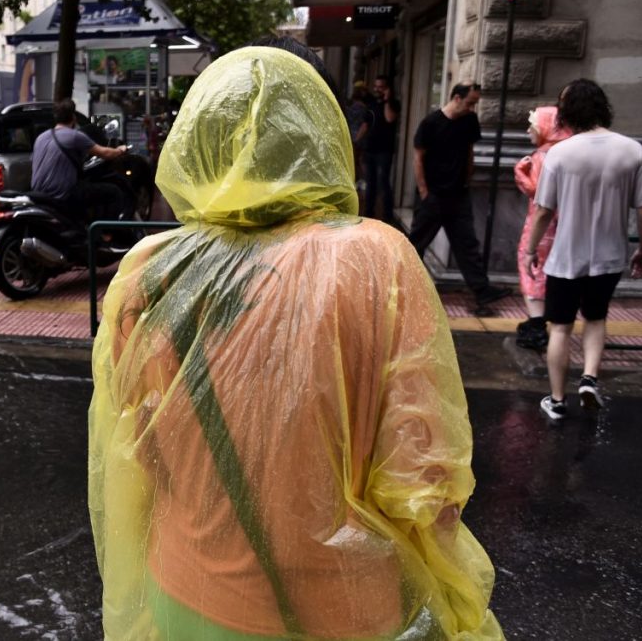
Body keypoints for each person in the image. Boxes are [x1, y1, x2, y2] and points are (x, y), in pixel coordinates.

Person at [89, 41, 503, 640]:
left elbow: (139, 452)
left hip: (184, 593)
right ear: (321, 133)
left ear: (198, 141)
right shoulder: (375, 261)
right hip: (343, 610)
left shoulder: (147, 272)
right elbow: (427, 484)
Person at [523, 79, 642, 420]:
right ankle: (589, 379)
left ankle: (558, 400)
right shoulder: (632, 150)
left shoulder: (561, 153)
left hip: (565, 258)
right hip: (610, 256)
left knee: (560, 327)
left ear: (568, 113)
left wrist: (531, 250)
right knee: (596, 317)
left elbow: (544, 210)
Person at [410, 82, 511, 307]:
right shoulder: (431, 123)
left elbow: (469, 151)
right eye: (470, 103)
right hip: (434, 195)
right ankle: (403, 288)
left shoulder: (469, 121)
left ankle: (482, 290)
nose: (472, 108)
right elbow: (418, 157)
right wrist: (424, 191)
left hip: (458, 195)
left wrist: (467, 178)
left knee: (466, 244)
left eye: (475, 103)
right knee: (417, 243)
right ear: (456, 98)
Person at [513, 106, 571, 350]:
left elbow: (538, 195)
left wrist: (520, 174)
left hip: (541, 225)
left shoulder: (542, 157)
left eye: (533, 127)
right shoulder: (568, 154)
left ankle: (537, 325)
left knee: (531, 269)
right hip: (566, 225)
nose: (529, 131)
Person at [30, 98, 129, 221]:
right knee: (114, 192)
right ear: (73, 117)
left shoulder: (41, 138)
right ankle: (105, 235)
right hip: (63, 195)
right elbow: (105, 153)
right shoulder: (75, 136)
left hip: (39, 194)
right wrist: (120, 150)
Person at [361, 75, 401, 223]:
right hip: (370, 148)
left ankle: (387, 216)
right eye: (376, 86)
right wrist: (356, 141)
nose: (377, 89)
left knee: (383, 181)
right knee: (370, 182)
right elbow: (365, 124)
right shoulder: (371, 103)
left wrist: (387, 100)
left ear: (388, 89)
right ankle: (368, 214)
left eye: (381, 87)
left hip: (384, 150)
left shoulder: (393, 104)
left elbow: (390, 118)